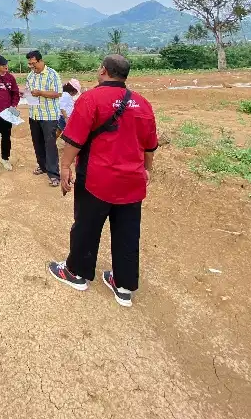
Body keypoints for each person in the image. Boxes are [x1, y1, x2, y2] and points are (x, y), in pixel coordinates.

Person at [48, 55, 158, 308]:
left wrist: (65, 166)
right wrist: (147, 169)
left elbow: (74, 139)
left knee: (87, 226)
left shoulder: (91, 99)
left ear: (103, 71)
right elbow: (150, 145)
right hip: (132, 181)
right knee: (128, 233)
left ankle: (76, 273)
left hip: (98, 179)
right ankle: (123, 285)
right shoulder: (142, 103)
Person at [25, 50, 62, 187]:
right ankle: (42, 166)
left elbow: (58, 93)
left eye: (33, 64)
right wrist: (26, 93)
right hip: (34, 114)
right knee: (37, 142)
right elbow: (29, 91)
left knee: (50, 144)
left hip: (49, 116)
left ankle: (53, 174)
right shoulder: (30, 76)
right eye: (29, 64)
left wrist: (40, 93)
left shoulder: (52, 74)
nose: (31, 67)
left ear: (41, 61)